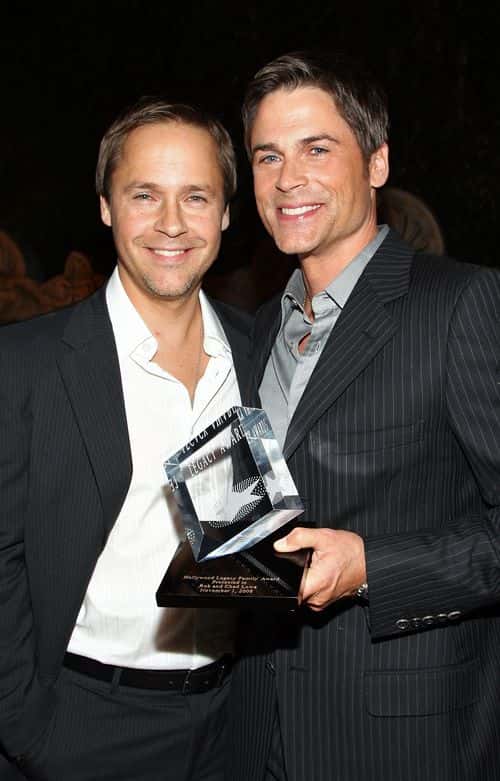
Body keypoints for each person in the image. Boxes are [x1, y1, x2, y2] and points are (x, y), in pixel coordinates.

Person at [228, 52, 500, 781]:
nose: (288, 178)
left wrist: (372, 567)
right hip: (257, 728)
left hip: (400, 740)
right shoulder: (258, 330)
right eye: (268, 156)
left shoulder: (460, 304)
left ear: (377, 162)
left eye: (317, 149)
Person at [0, 99, 252, 780]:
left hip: (231, 723)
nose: (172, 222)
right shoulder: (26, 364)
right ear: (106, 206)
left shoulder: (258, 352)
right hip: (82, 727)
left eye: (196, 196)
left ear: (226, 213)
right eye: (145, 195)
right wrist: (26, 726)